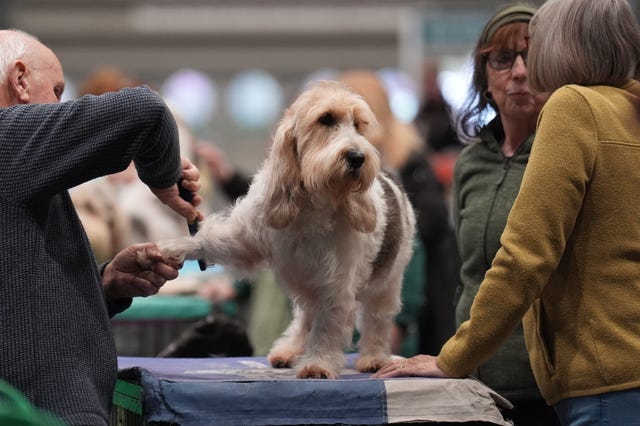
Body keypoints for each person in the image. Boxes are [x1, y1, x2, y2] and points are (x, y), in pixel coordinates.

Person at [374, 0, 640, 424]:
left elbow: (525, 255)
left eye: (535, 46)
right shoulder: (627, 111)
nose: (523, 68)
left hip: (601, 378)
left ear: (560, 45)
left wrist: (453, 358)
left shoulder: (572, 106)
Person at [0, 29, 203, 425]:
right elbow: (146, 110)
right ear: (20, 80)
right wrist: (163, 178)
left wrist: (106, 282)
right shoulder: (8, 140)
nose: (61, 104)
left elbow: (18, 302)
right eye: (57, 91)